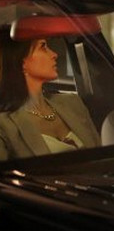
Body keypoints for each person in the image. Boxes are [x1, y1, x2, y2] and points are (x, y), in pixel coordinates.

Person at [0, 31, 100, 160]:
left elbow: (101, 157)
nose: (54, 54)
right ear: (21, 62)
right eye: (43, 47)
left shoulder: (72, 103)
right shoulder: (5, 125)